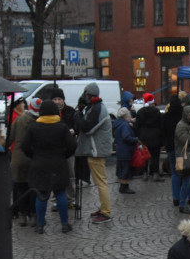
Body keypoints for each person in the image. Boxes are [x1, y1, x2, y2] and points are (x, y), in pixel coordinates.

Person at [22, 98, 78, 233]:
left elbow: (24, 146)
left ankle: (40, 225)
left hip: (39, 164)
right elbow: (72, 145)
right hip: (58, 163)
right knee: (60, 193)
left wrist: (34, 156)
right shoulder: (62, 127)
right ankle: (64, 224)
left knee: (41, 194)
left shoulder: (34, 127)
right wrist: (64, 155)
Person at [75, 82, 113, 223]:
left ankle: (105, 212)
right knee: (100, 182)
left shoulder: (97, 109)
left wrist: (78, 115)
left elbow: (87, 128)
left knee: (101, 182)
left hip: (96, 151)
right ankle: (103, 208)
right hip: (95, 150)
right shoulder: (95, 107)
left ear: (88, 95)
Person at [6, 96, 38, 227]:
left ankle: (22, 216)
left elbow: (10, 138)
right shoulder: (38, 122)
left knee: (20, 188)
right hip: (34, 159)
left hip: (18, 159)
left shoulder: (18, 120)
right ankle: (33, 216)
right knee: (33, 188)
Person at [134, 92, 164, 181]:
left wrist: (138, 137)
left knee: (145, 155)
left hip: (143, 137)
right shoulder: (157, 112)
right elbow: (161, 125)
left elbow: (137, 125)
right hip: (155, 136)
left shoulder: (140, 112)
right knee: (155, 156)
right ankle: (155, 174)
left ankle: (144, 173)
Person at [161, 95, 184, 207]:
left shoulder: (166, 116)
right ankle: (184, 196)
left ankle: (176, 197)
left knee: (174, 173)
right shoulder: (183, 115)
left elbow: (163, 132)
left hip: (170, 147)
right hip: (182, 147)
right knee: (183, 171)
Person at [113, 107, 138, 195]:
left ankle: (124, 186)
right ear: (125, 116)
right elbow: (126, 137)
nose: (130, 117)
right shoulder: (125, 125)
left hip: (120, 150)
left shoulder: (118, 124)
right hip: (126, 150)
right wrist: (136, 139)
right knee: (126, 169)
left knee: (123, 168)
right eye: (129, 116)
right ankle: (123, 187)